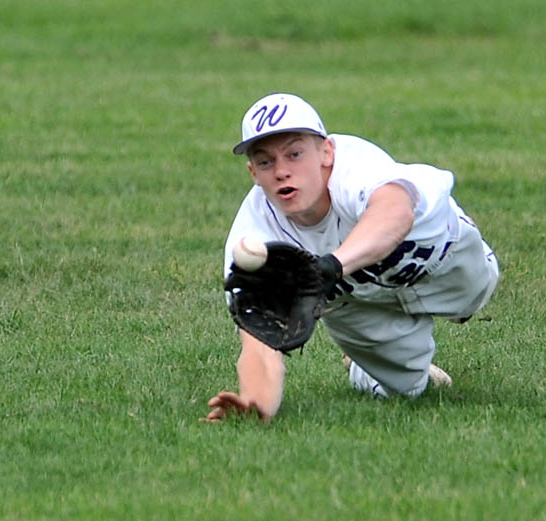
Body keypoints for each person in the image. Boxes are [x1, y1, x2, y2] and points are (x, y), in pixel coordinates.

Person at [204, 93, 499, 422]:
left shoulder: (356, 167)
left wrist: (332, 266)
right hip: (361, 307)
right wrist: (256, 404)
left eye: (295, 153)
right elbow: (260, 339)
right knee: (406, 392)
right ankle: (364, 370)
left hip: (444, 265)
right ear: (253, 173)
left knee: (476, 295)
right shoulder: (253, 242)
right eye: (265, 161)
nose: (282, 171)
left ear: (326, 152)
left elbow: (394, 212)